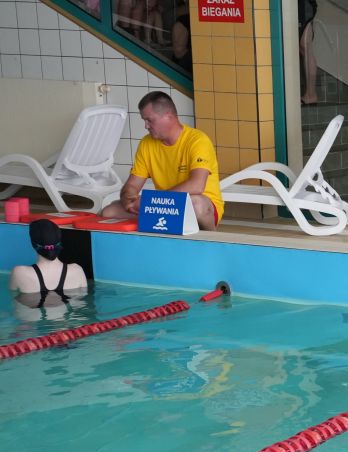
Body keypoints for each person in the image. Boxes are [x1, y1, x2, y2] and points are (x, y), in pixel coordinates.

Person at [101, 91, 223, 231]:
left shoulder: (198, 141)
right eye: (144, 120)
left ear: (168, 116)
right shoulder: (146, 144)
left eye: (149, 120)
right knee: (109, 212)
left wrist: (154, 200)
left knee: (197, 204)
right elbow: (132, 185)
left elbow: (197, 186)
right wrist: (128, 200)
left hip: (197, 206)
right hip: (162, 206)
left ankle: (211, 238)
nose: (146, 126)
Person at [9, 220, 89, 306]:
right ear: (59, 243)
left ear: (33, 245)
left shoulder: (19, 272)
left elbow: (12, 296)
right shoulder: (77, 270)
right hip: (68, 314)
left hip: (31, 314)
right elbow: (82, 300)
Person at [299, 0, 319, 105]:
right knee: (303, 47)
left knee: (305, 46)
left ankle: (311, 94)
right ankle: (310, 94)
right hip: (300, 5)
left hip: (304, 4)